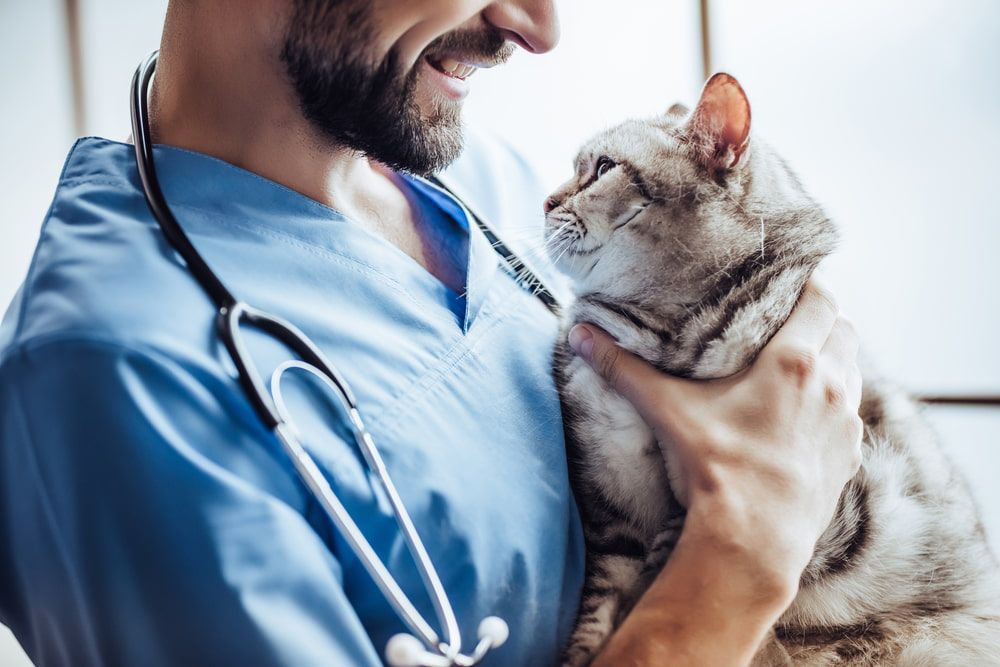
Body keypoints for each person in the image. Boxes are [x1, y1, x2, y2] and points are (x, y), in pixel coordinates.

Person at [0, 1, 862, 665]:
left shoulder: (478, 178)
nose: (538, 27)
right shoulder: (110, 384)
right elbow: (743, 524)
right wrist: (737, 561)